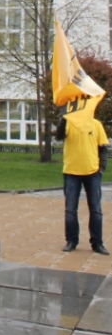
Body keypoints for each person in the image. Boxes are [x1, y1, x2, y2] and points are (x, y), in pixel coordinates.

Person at [55, 99, 109, 255]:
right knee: (71, 210)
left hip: (92, 173)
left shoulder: (96, 124)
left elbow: (103, 149)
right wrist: (63, 119)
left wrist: (101, 169)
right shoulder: (69, 123)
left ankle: (97, 243)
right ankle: (71, 241)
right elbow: (59, 136)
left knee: (96, 210)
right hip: (72, 172)